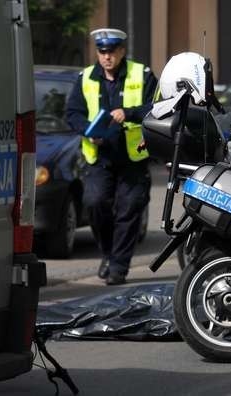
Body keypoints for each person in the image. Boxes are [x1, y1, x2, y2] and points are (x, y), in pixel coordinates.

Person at [66, 28, 157, 285]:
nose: (107, 57)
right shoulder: (85, 78)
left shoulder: (143, 74)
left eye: (112, 51)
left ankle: (118, 267)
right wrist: (87, 131)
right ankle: (108, 253)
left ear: (122, 51)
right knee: (95, 204)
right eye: (102, 51)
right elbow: (73, 113)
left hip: (133, 157)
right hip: (99, 157)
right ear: (97, 53)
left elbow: (158, 106)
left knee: (129, 210)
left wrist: (128, 113)